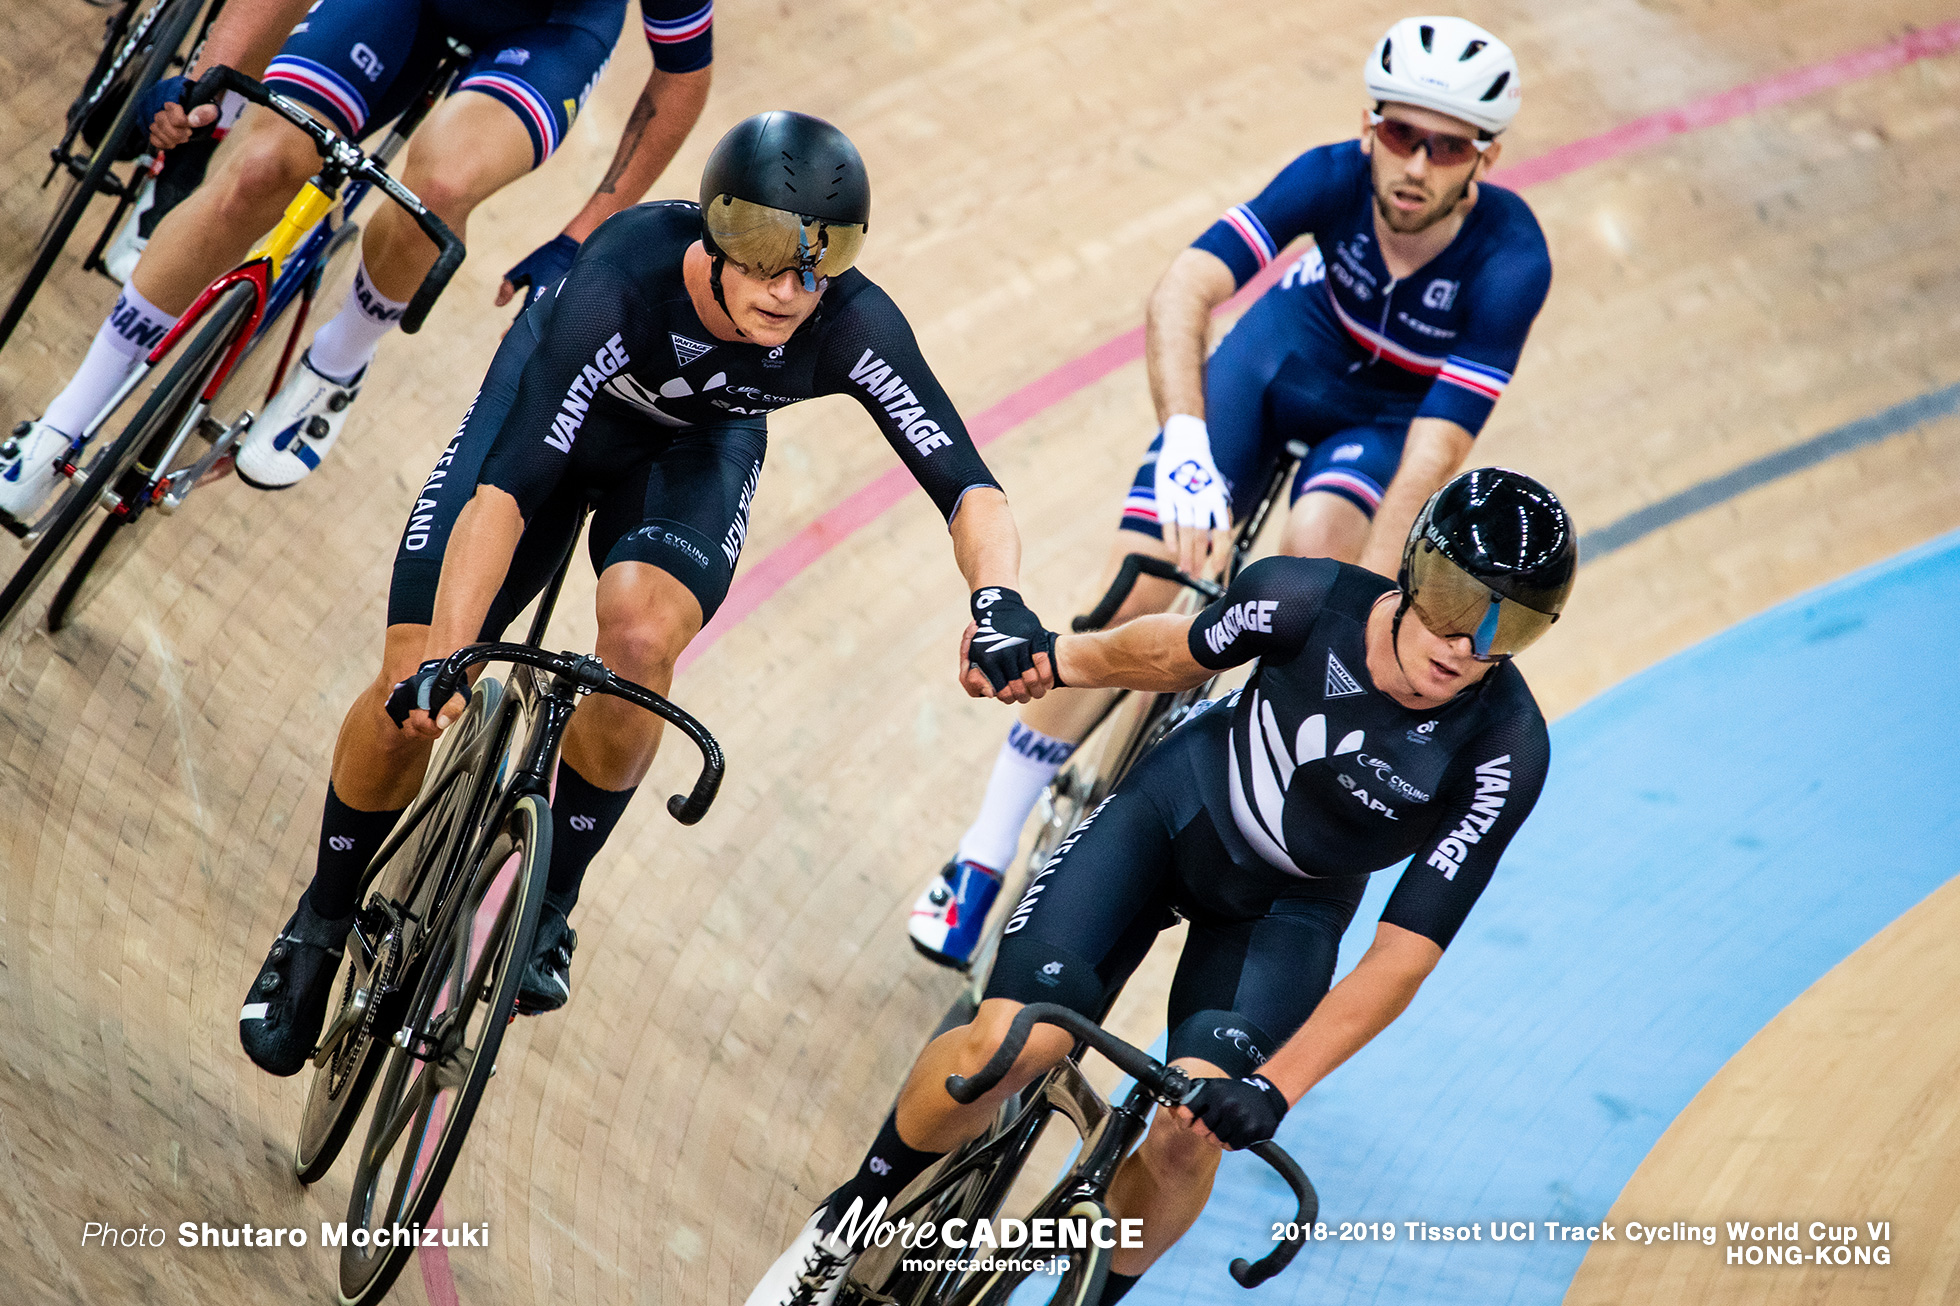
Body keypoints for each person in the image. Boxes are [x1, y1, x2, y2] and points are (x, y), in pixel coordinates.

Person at [235, 110, 1062, 1075]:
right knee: (408, 681)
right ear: (713, 233)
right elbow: (505, 492)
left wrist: (998, 598)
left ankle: (550, 902)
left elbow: (967, 482)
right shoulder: (623, 278)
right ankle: (321, 921)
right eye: (762, 255)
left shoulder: (850, 323)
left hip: (692, 452)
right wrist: (454, 654)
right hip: (550, 423)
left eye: (819, 262)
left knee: (638, 641)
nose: (791, 291)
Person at [745, 467, 1574, 1306]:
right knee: (1010, 1046)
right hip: (1172, 818)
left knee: (1190, 1134)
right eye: (1460, 604)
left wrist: (1273, 1089)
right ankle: (845, 1224)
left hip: (1288, 912)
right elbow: (1166, 655)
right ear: (1415, 569)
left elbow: (1402, 957)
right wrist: (1049, 658)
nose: (1471, 643)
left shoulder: (1506, 748)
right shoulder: (1302, 598)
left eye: (1515, 626)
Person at [906, 15, 1552, 970]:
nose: (1414, 164)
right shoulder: (1330, 175)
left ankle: (1181, 742)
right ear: (1370, 124)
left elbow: (1431, 456)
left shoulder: (1510, 262)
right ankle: (984, 850)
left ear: (1483, 159)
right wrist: (1183, 439)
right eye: (1399, 134)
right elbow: (1184, 288)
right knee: (1153, 574)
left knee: (1322, 561)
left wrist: (1360, 612)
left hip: (1382, 426)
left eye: (1445, 145)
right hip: (1286, 358)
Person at [2, 0, 717, 521]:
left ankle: (337, 364)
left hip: (549, 31)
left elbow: (683, 73)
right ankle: (65, 420)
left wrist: (581, 234)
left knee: (433, 189)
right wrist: (211, 81)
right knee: (256, 167)